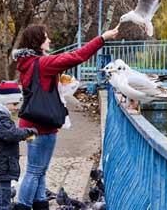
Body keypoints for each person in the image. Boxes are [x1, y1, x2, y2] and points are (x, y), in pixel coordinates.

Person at [12, 24, 118, 210]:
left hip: (29, 123)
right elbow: (78, 56)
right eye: (46, 37)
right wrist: (102, 38)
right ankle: (22, 206)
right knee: (35, 170)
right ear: (38, 41)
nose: (49, 40)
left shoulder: (26, 61)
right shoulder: (43, 63)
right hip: (42, 125)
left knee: (39, 170)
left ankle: (40, 205)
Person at [0, 81, 38, 210]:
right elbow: (11, 134)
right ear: (4, 102)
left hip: (0, 168)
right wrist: (29, 131)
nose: (17, 107)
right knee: (1, 204)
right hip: (0, 169)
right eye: (15, 103)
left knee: (0, 202)